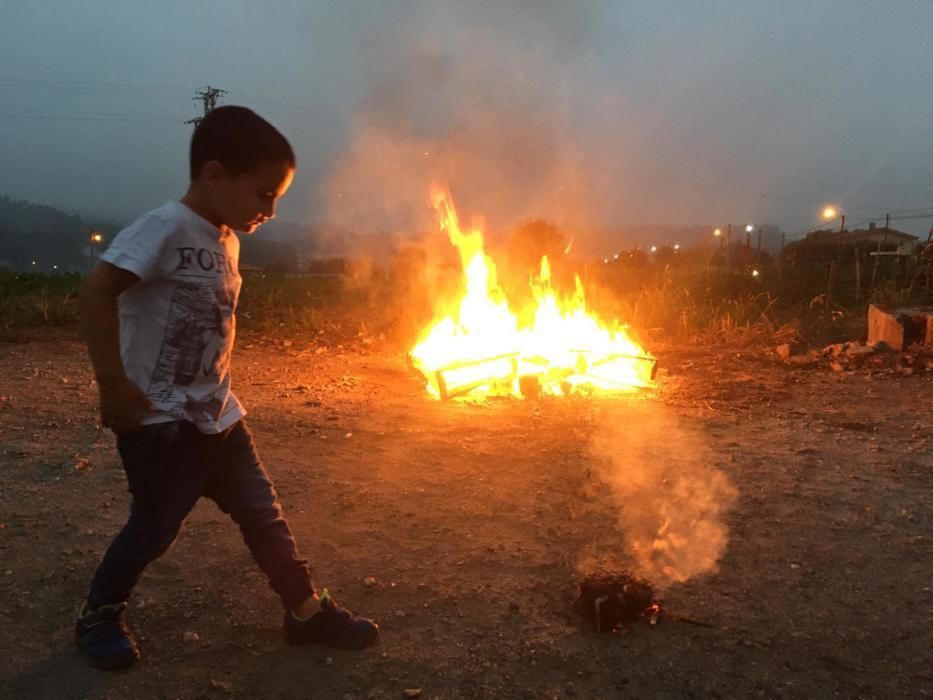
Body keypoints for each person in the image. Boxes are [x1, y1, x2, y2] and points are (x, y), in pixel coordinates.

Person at [75, 106, 379, 670]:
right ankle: (99, 613)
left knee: (264, 515)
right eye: (263, 195)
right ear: (215, 175)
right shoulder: (163, 227)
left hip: (219, 416)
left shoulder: (227, 240)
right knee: (154, 526)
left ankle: (304, 611)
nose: (270, 210)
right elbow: (97, 292)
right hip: (159, 422)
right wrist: (111, 384)